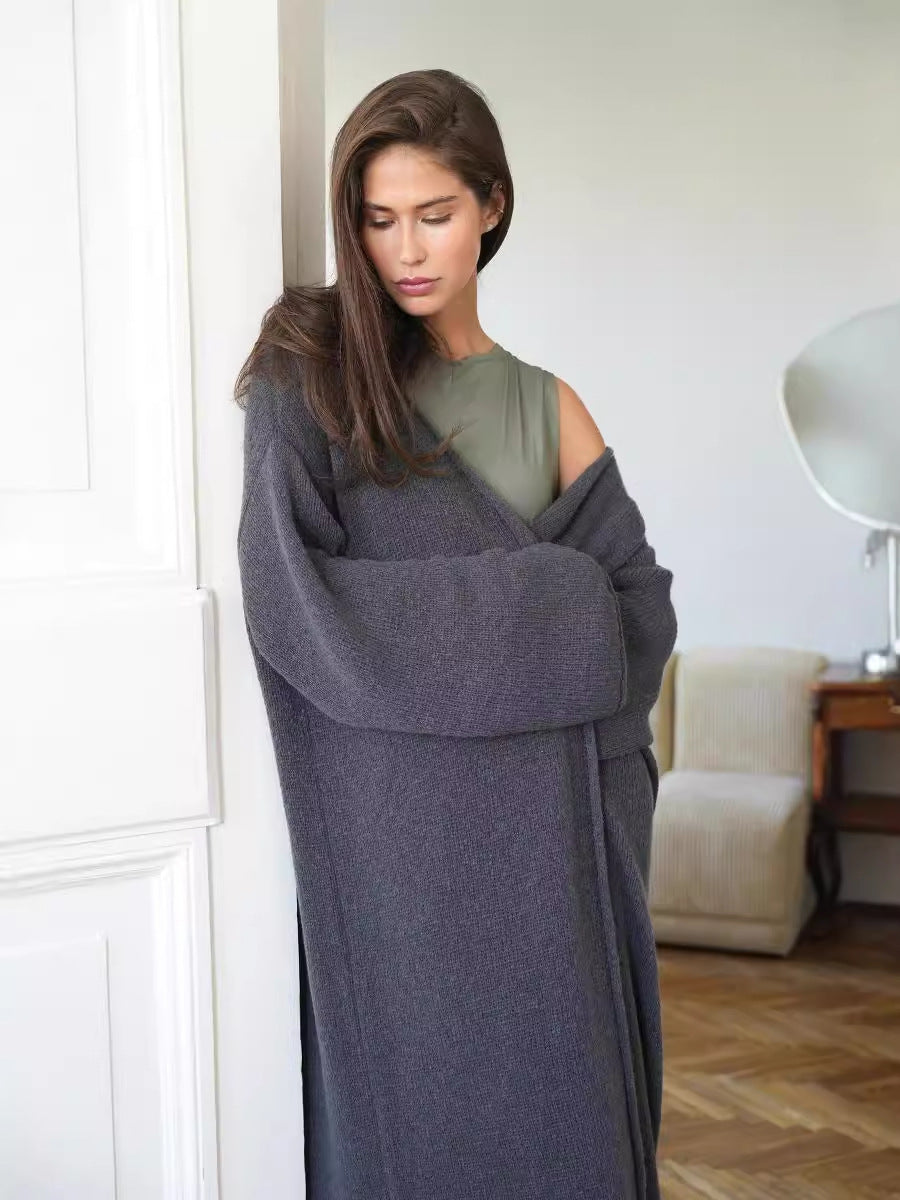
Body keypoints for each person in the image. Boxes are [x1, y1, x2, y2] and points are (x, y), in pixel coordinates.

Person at [235, 67, 677, 1200]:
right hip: (400, 861)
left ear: (492, 205)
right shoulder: (309, 369)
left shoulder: (546, 404)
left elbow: (637, 616)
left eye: (434, 214)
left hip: (555, 854)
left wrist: (548, 633)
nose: (406, 251)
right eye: (377, 220)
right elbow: (294, 600)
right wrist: (553, 605)